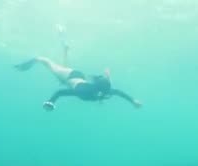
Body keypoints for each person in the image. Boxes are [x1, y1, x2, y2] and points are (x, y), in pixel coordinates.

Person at [14, 26, 142, 111]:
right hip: (69, 77)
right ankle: (34, 60)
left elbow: (118, 92)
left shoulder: (106, 91)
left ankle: (65, 49)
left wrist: (133, 101)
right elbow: (60, 93)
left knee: (63, 66)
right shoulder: (86, 91)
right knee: (46, 61)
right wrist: (50, 102)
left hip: (76, 76)